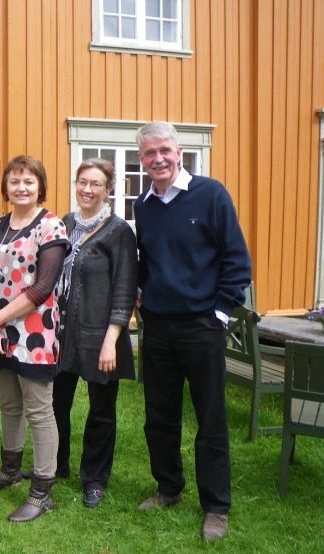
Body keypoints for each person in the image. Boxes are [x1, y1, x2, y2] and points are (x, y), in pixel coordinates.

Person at [133, 121, 252, 541]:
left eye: (164, 150)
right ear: (142, 159)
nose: (158, 159)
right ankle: (169, 488)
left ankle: (216, 507)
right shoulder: (142, 204)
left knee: (211, 418)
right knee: (159, 415)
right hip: (158, 328)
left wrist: (219, 314)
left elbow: (237, 261)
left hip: (202, 327)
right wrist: (142, 289)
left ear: (179, 151)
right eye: (150, 153)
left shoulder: (211, 194)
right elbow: (145, 259)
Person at [0, 155, 70, 523]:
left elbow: (43, 288)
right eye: (14, 181)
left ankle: (42, 493)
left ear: (40, 186)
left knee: (39, 410)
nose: (21, 187)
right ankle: (10, 471)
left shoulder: (51, 227)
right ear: (6, 187)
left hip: (33, 334)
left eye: (29, 181)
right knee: (9, 405)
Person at [51, 158, 138, 509]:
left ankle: (95, 479)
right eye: (82, 182)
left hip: (102, 337)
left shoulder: (118, 232)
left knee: (101, 411)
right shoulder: (65, 224)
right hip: (61, 335)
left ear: (109, 189)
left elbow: (124, 289)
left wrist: (111, 341)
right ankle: (54, 466)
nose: (87, 189)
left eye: (96, 184)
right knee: (55, 405)